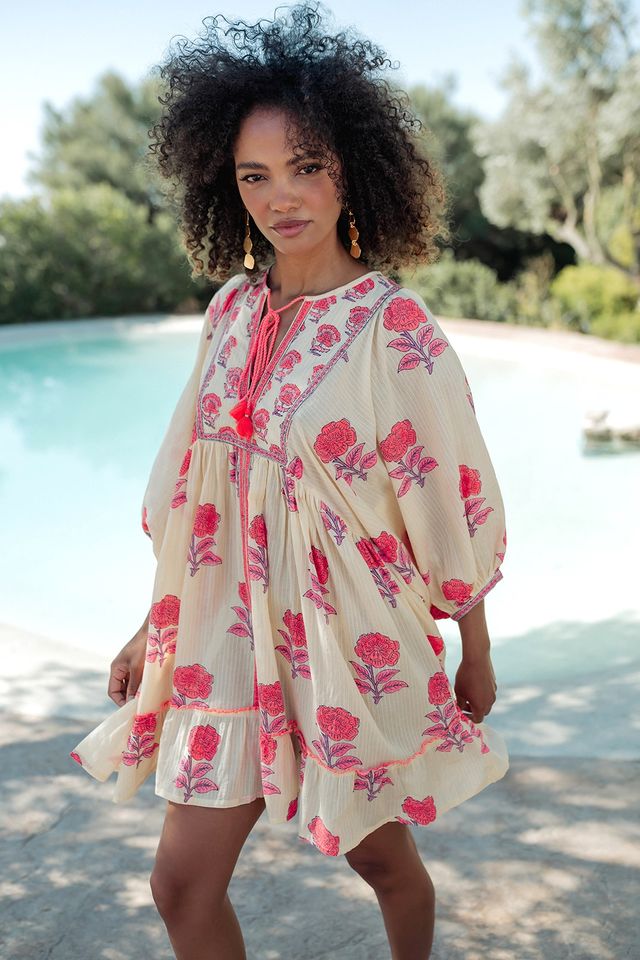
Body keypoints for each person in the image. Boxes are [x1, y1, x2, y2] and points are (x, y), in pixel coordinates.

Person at [69, 4, 509, 957]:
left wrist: (473, 650)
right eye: (254, 175)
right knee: (180, 885)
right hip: (224, 637)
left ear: (353, 167)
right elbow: (199, 495)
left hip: (347, 638)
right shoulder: (230, 311)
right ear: (225, 184)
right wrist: (152, 625)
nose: (281, 197)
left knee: (380, 860)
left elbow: (449, 499)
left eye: (306, 166)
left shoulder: (393, 329)